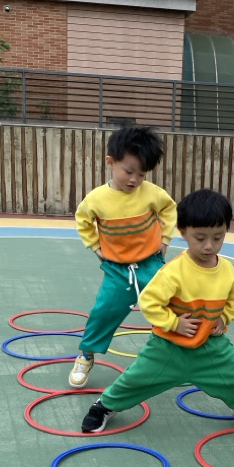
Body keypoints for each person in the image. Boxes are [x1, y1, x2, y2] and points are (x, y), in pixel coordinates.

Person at [81, 188, 234, 438]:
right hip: (168, 347)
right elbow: (149, 301)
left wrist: (224, 317)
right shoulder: (173, 272)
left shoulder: (228, 271)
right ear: (183, 232)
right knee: (136, 379)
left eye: (217, 237)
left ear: (226, 230)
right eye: (200, 238)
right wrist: (173, 323)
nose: (209, 246)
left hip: (211, 347)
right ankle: (105, 406)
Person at [68, 126, 176, 388]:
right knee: (103, 312)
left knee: (173, 304)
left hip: (151, 264)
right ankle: (86, 355)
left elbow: (169, 209)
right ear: (110, 162)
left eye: (142, 174)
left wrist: (164, 240)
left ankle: (179, 355)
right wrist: (95, 247)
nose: (134, 179)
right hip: (117, 269)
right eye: (129, 171)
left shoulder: (152, 193)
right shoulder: (96, 199)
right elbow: (83, 220)